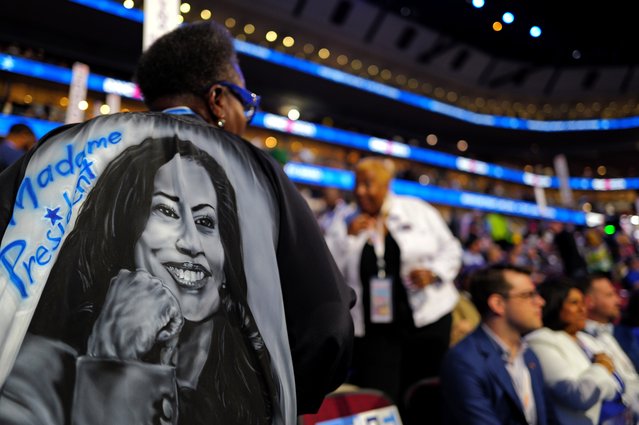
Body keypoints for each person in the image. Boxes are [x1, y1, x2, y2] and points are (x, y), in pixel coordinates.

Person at [0, 20, 354, 425]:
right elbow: (329, 326)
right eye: (166, 212)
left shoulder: (55, 150)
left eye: (207, 222)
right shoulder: (255, 171)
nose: (191, 241)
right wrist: (277, 394)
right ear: (218, 99)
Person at [325, 157, 462, 417]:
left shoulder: (417, 210)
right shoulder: (344, 219)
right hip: (374, 331)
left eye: (368, 184)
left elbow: (452, 249)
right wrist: (347, 237)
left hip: (425, 320)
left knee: (424, 396)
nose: (361, 191)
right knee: (382, 397)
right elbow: (328, 269)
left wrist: (434, 273)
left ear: (387, 185)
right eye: (357, 184)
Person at [441, 264, 555, 425]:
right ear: (498, 304)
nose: (540, 302)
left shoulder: (529, 355)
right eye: (528, 295)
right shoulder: (464, 361)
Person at [526, 277, 623, 425]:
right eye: (574, 303)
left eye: (583, 303)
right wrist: (601, 366)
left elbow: (618, 386)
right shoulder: (540, 341)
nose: (583, 309)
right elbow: (579, 396)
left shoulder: (586, 339)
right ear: (554, 305)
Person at [582, 272, 639, 416]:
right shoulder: (579, 340)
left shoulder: (624, 333)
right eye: (610, 295)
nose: (618, 300)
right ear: (589, 302)